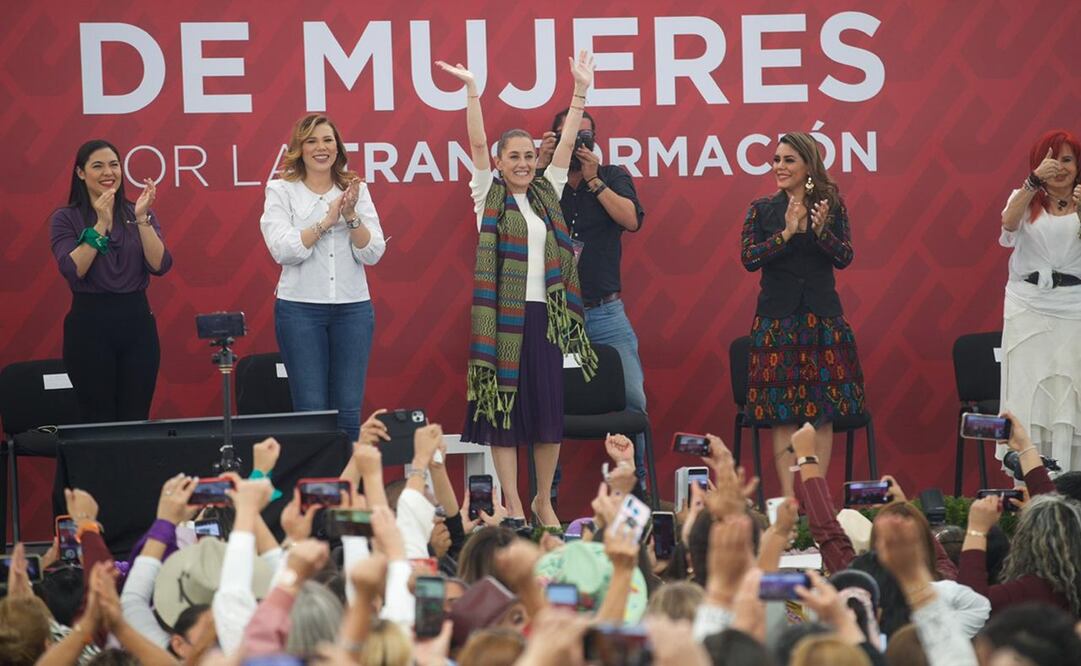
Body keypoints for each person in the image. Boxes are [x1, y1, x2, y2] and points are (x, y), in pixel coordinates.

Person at [438, 52, 596, 527]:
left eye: (530, 155)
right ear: (501, 164)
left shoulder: (549, 190)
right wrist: (471, 90)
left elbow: (567, 142)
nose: (524, 163)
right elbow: (478, 141)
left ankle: (542, 500)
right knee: (504, 414)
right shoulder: (487, 194)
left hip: (547, 319)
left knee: (548, 416)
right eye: (515, 157)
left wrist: (579, 92)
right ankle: (510, 502)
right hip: (503, 326)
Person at [739, 132, 866, 497]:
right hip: (777, 322)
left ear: (808, 165)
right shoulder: (761, 209)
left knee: (823, 412)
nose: (779, 166)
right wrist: (787, 233)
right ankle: (788, 502)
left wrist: (820, 231)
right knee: (783, 413)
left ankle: (816, 498)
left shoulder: (833, 207)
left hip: (822, 320)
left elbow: (844, 257)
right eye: (777, 159)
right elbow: (749, 258)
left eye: (788, 160)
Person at [536, 109, 649, 496]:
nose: (580, 144)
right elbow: (517, 221)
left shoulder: (613, 175)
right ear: (554, 137)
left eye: (587, 137)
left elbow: (631, 220)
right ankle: (545, 498)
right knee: (546, 402)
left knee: (634, 399)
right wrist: (540, 164)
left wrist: (594, 180)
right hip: (555, 313)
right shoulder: (543, 181)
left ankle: (639, 490)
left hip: (605, 310)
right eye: (572, 136)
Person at [259, 114, 386, 441]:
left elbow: (372, 252)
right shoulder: (281, 190)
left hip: (353, 309)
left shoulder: (355, 190)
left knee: (348, 411)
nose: (321, 148)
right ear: (299, 149)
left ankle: (345, 490)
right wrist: (327, 222)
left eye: (327, 140)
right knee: (311, 410)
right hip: (300, 310)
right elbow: (284, 251)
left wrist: (350, 216)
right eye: (312, 141)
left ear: (338, 147)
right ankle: (316, 491)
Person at [49, 139, 172, 422]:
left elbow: (160, 264)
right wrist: (101, 223)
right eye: (98, 166)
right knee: (98, 419)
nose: (109, 172)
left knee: (135, 418)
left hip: (138, 325)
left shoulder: (137, 212)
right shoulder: (65, 218)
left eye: (114, 165)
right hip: (90, 327)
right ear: (81, 173)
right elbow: (73, 269)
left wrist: (142, 219)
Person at [998, 129, 1081, 471]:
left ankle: (1072, 489)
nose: (1060, 167)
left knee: (1069, 394)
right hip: (1027, 306)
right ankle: (1027, 485)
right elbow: (1007, 224)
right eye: (1053, 159)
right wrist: (1032, 183)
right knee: (1027, 396)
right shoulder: (1024, 196)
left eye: (1067, 160)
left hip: (1074, 308)